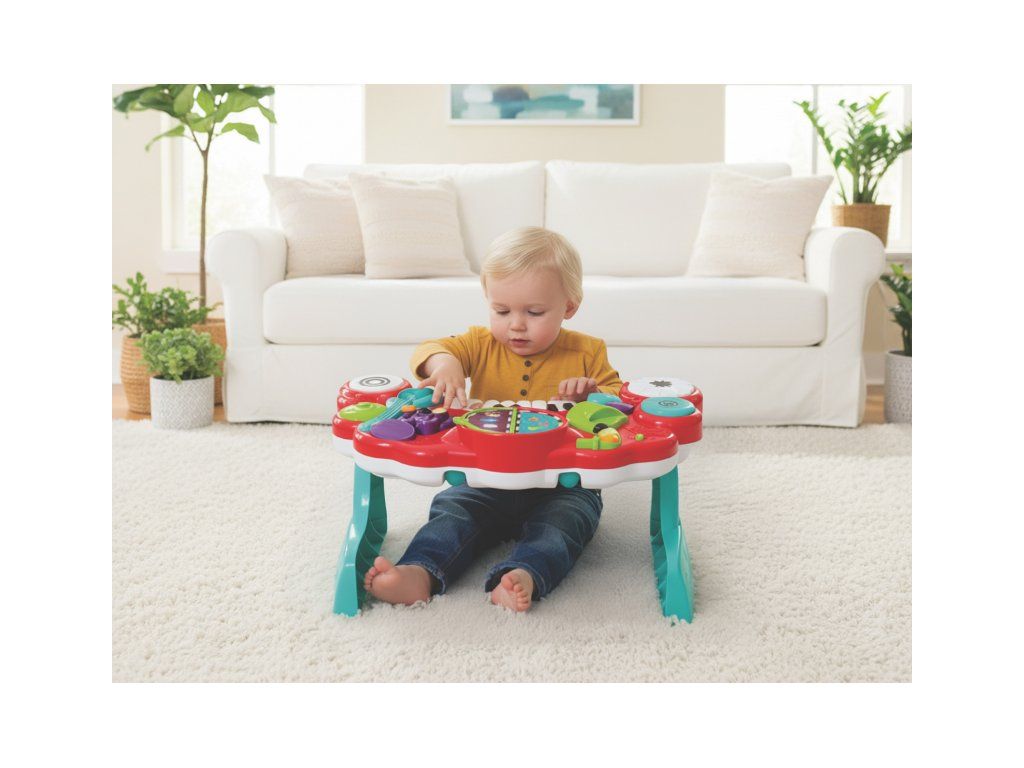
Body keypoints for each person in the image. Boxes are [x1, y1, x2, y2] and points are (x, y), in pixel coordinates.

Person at [363, 226, 623, 612]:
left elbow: (619, 404)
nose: (515, 324)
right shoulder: (481, 344)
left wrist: (591, 397)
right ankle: (419, 571)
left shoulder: (587, 352)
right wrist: (446, 364)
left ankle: (525, 575)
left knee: (566, 526)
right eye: (501, 311)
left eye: (534, 312)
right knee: (452, 512)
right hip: (485, 477)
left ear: (569, 306)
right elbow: (430, 348)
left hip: (565, 482)